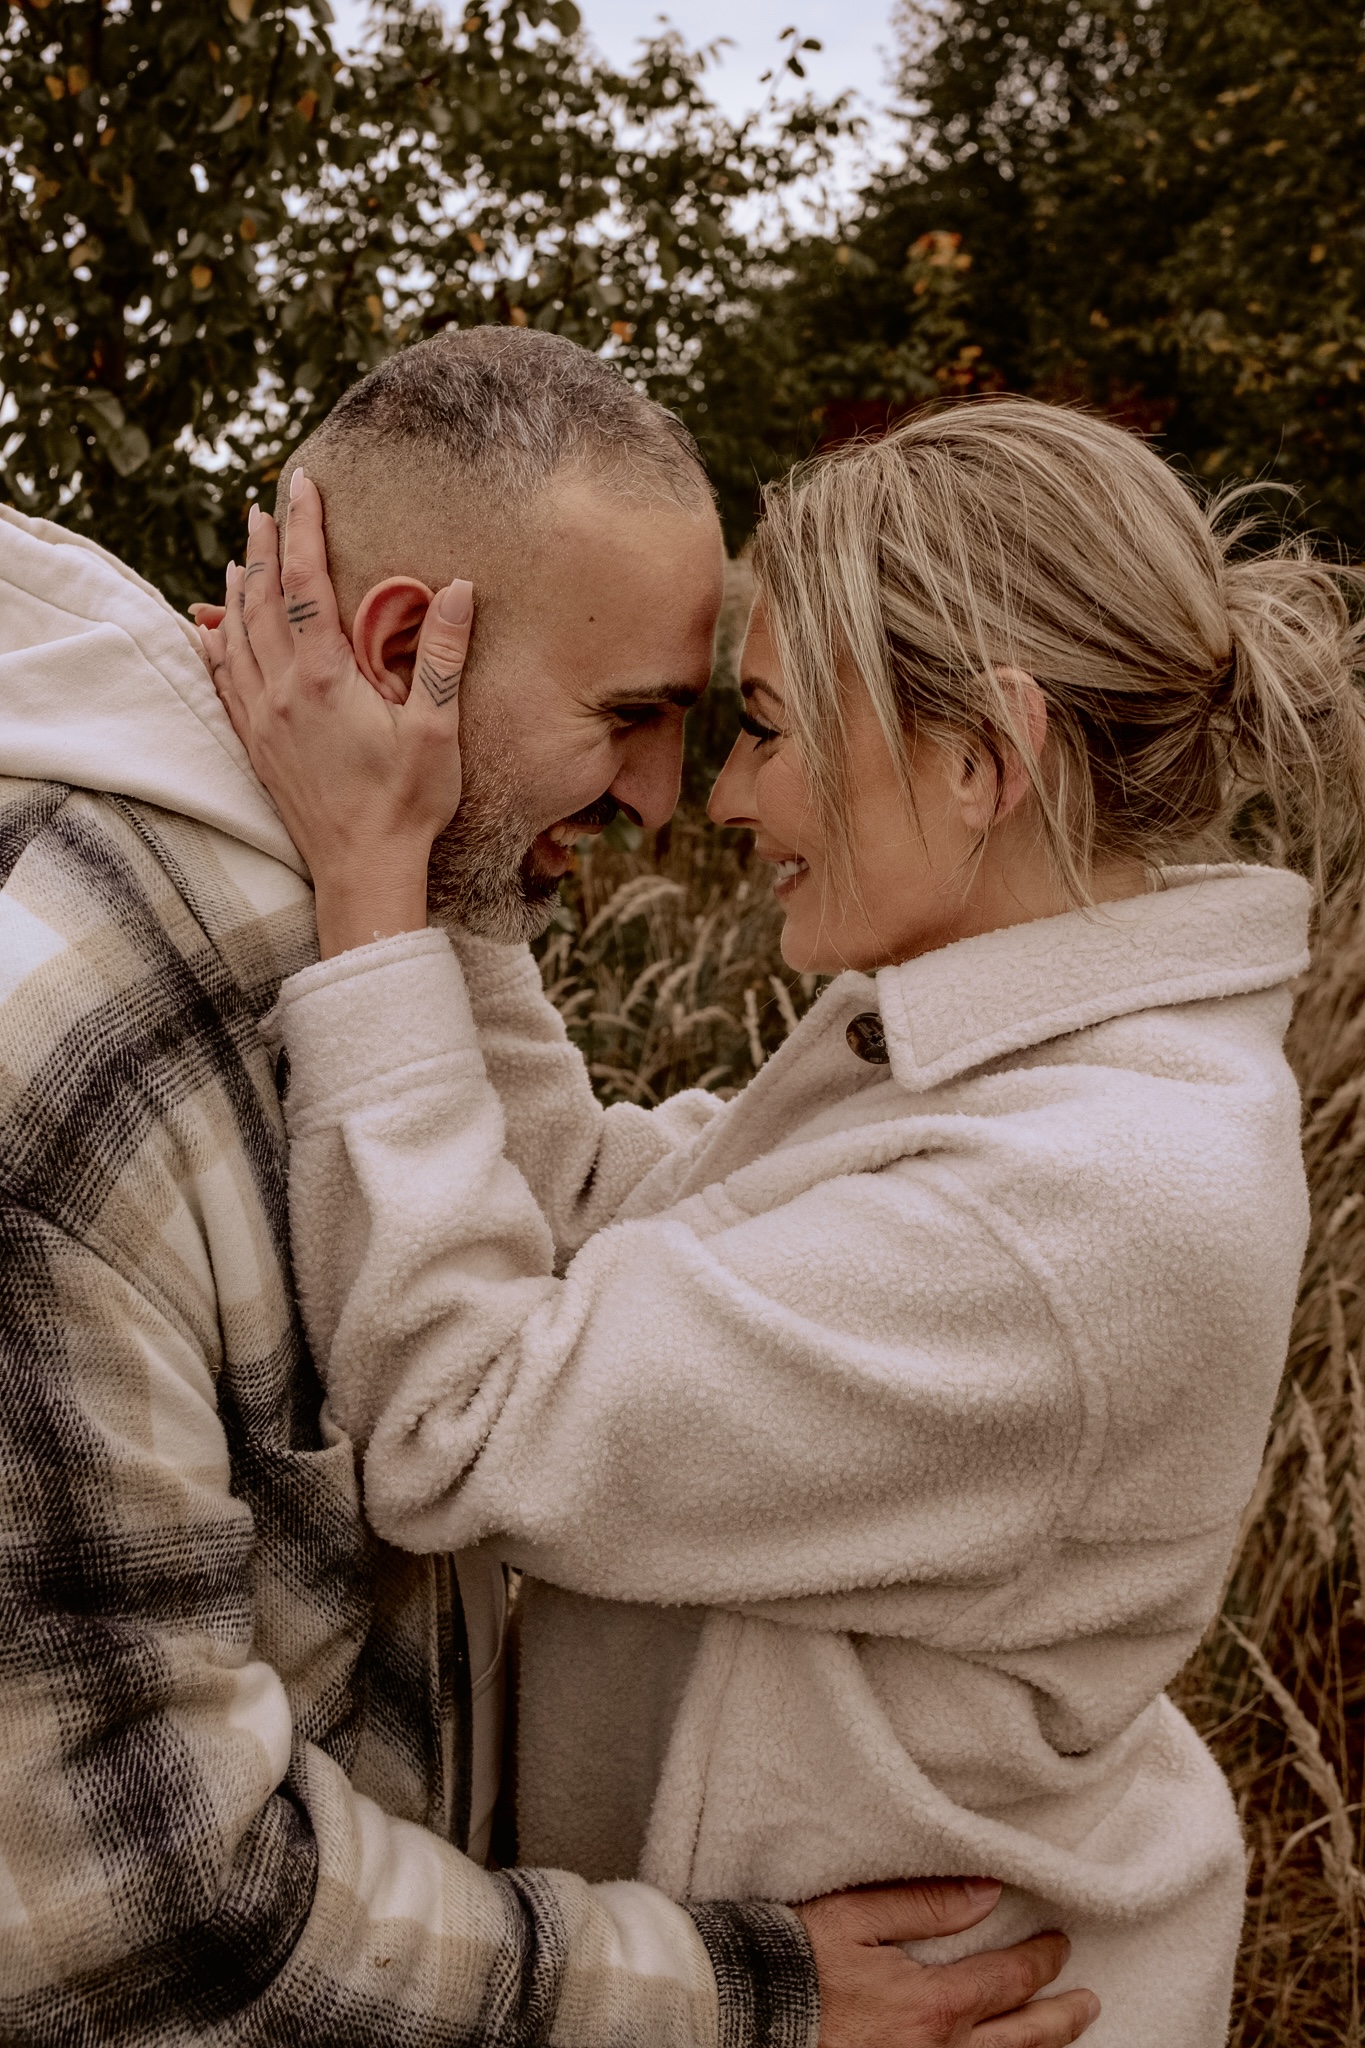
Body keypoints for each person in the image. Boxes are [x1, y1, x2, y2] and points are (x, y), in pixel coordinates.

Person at [208, 392, 1365, 2048]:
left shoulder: (1084, 1202)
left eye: (759, 725)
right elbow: (605, 1222)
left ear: (981, 758)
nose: (717, 800)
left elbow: (465, 1419)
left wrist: (368, 906)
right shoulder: (1001, 1056)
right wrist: (448, 858)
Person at [0, 329, 1093, 2047]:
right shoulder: (73, 1064)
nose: (670, 799)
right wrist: (740, 2003)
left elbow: (573, 1220)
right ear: (397, 650)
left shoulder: (337, 939)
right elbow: (144, 1919)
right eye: (632, 719)